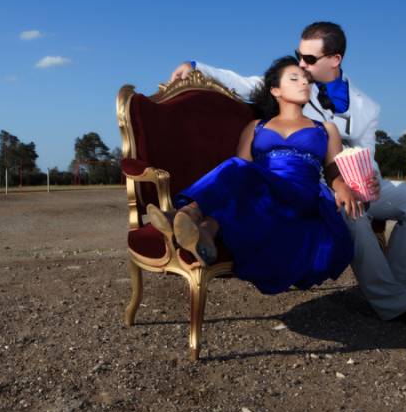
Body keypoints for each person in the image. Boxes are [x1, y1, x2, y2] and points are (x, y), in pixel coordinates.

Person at [168, 22, 406, 333]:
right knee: (351, 213)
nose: (302, 64)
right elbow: (246, 83)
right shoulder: (294, 87)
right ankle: (397, 305)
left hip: (358, 181)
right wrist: (195, 66)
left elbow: (366, 155)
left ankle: (399, 288)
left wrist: (366, 181)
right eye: (298, 57)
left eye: (309, 59)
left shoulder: (367, 107)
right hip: (316, 182)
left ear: (335, 59)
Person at [149, 56, 358, 294]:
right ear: (275, 90)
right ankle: (205, 232)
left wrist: (341, 184)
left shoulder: (325, 128)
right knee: (238, 174)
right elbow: (237, 175)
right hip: (265, 197)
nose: (304, 83)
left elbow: (333, 168)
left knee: (239, 169)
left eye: (307, 79)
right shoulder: (256, 126)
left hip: (302, 195)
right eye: (295, 78)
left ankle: (185, 212)